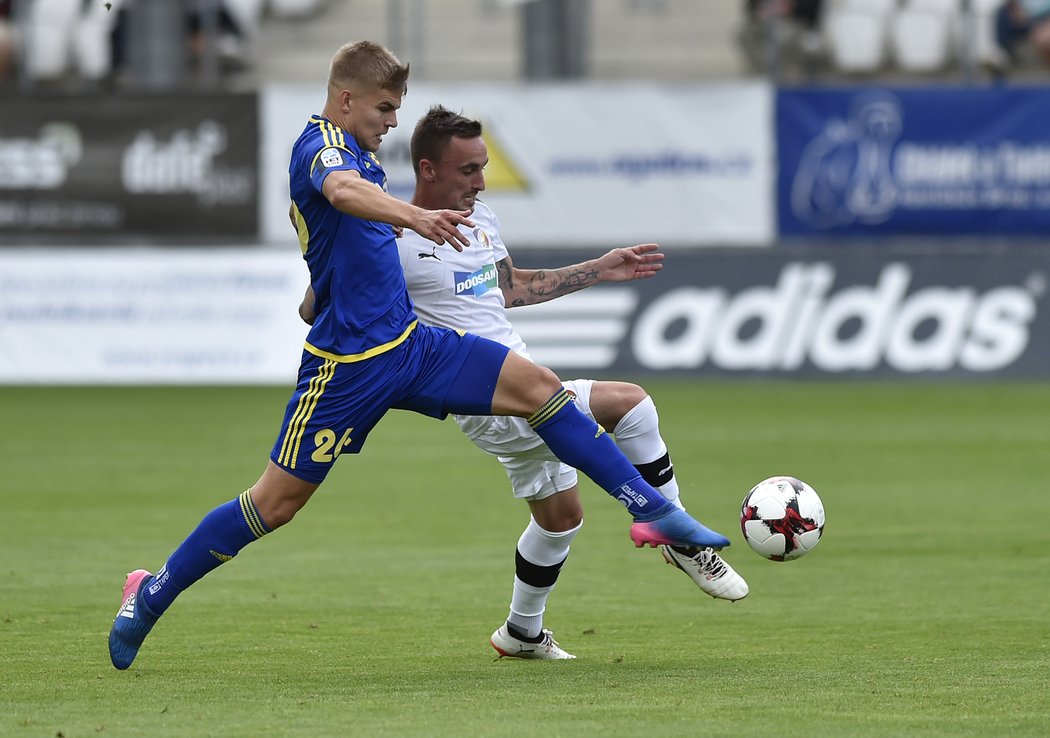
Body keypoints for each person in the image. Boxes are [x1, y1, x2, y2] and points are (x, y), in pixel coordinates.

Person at [107, 40, 730, 671]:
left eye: (397, 108)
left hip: (411, 346)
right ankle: (149, 594)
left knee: (542, 388)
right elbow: (341, 194)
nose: (391, 121)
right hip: (347, 368)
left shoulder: (370, 163)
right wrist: (409, 222)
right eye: (383, 107)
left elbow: (354, 242)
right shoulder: (318, 147)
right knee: (275, 505)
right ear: (346, 98)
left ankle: (656, 513)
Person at [301, 106, 749, 659]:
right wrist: (326, 272)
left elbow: (510, 290)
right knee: (632, 406)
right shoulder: (386, 238)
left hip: (526, 383)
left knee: (561, 520)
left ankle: (521, 634)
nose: (481, 181)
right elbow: (315, 307)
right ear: (428, 169)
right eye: (467, 170)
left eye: (483, 167)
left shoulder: (481, 218)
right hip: (487, 400)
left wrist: (599, 269)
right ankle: (678, 535)